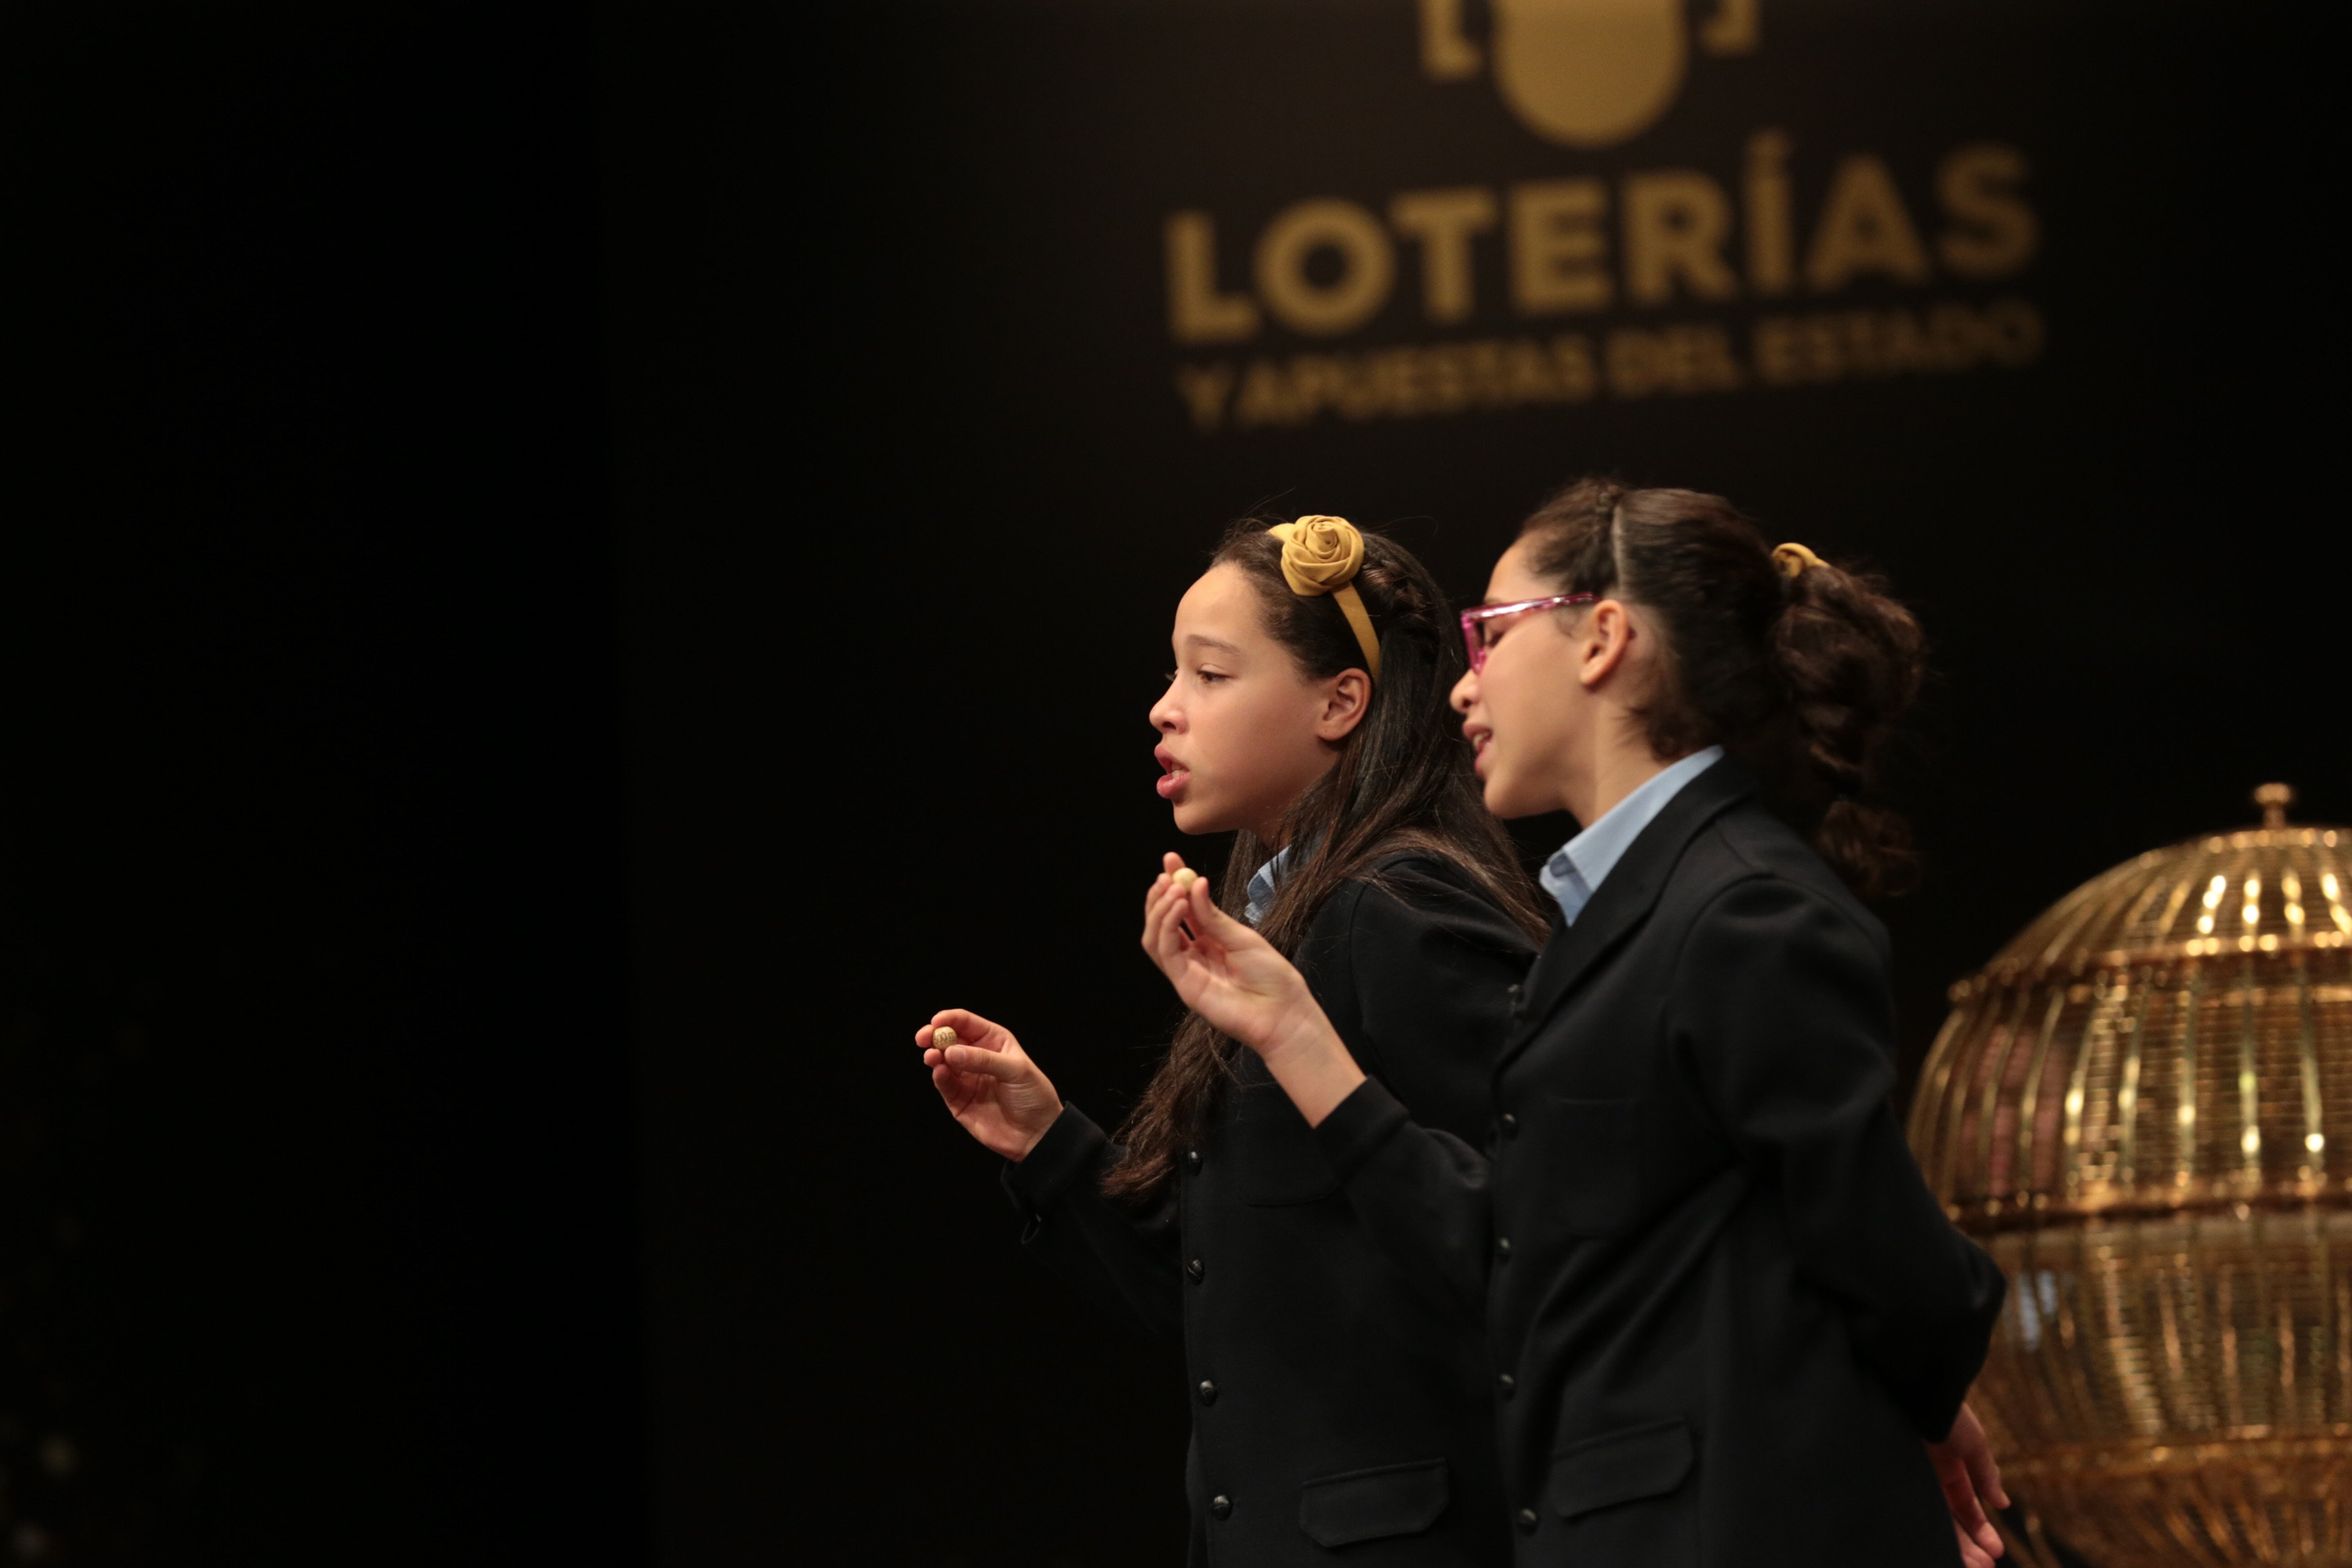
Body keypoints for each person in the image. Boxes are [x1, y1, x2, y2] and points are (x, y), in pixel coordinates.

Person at [1138, 481, 2012, 1567]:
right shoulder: (1614, 919)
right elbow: (1525, 1257)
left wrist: (1919, 1394)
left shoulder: (1740, 908)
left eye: (1492, 634)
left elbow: (1879, 1246)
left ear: (1603, 639)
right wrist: (1297, 1039)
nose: (1464, 681)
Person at [916, 516, 1546, 1564]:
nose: (1164, 709)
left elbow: (1515, 1246)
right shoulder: (1286, 919)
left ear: (1341, 702)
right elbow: (1235, 1309)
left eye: (1210, 675)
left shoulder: (1396, 911)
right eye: (1175, 674)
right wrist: (1051, 1145)